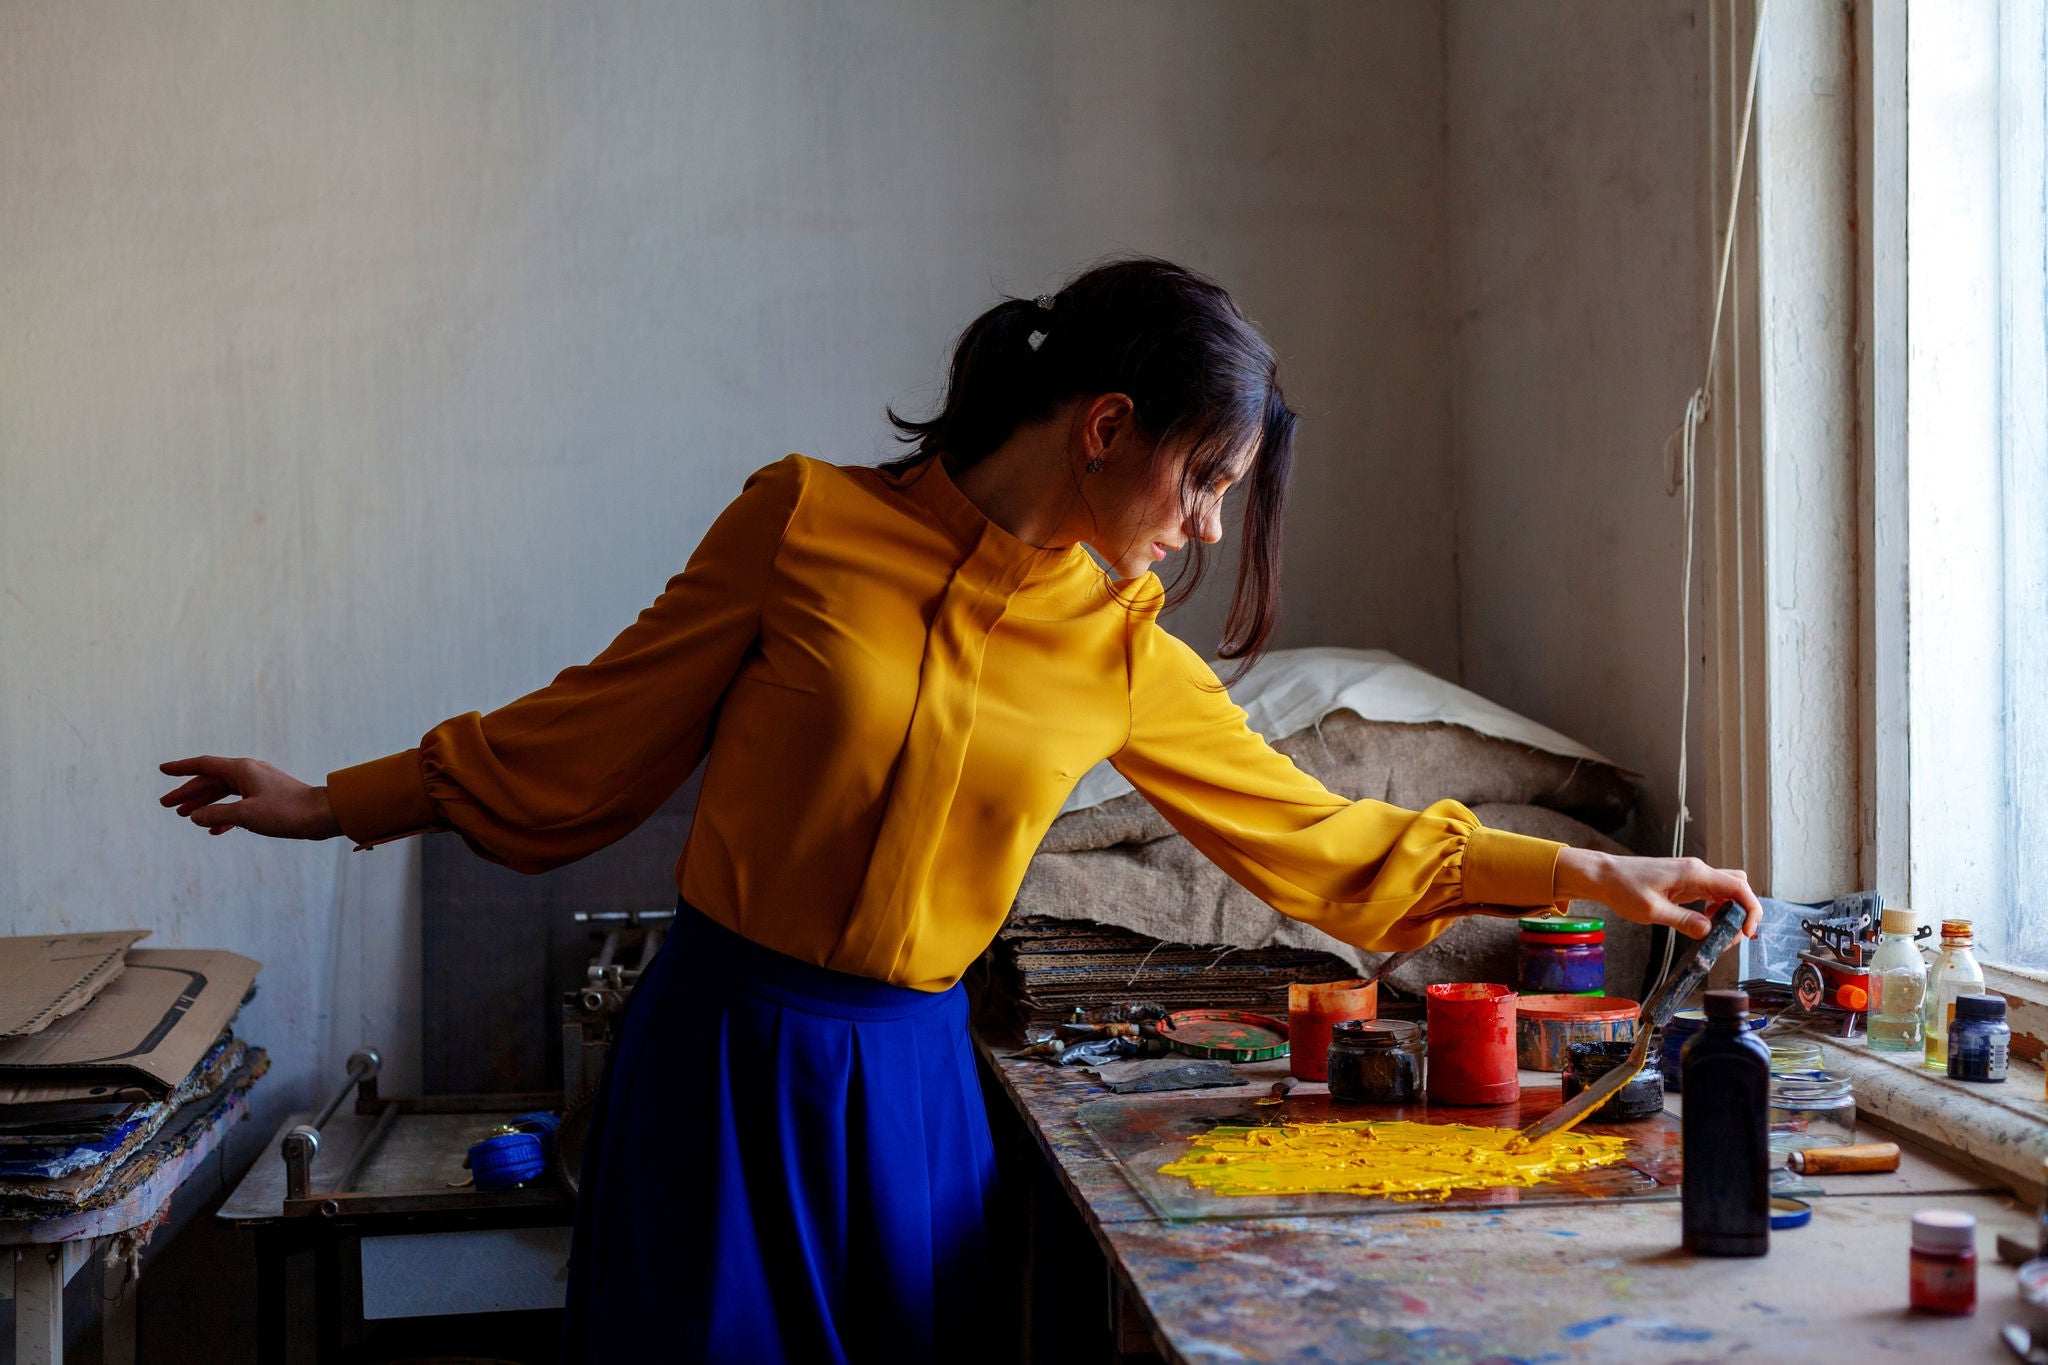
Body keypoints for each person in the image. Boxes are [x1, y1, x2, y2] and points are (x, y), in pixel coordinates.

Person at [160, 257, 1760, 1363]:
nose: (1206, 530)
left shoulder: (1120, 649)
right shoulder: (802, 521)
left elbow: (1321, 836)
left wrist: (1596, 871)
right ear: (1106, 426)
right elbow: (594, 728)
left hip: (917, 1093)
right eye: (1203, 480)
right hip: (722, 1060)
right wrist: (334, 802)